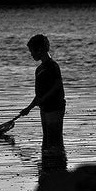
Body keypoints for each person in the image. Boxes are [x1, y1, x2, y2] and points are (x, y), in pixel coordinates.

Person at [19, 34, 67, 168]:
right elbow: (39, 95)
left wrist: (43, 99)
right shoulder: (39, 69)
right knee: (47, 137)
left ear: (40, 49)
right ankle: (47, 168)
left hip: (55, 107)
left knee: (55, 138)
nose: (31, 55)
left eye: (32, 51)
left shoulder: (52, 66)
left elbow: (57, 85)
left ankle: (58, 167)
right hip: (44, 108)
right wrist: (28, 108)